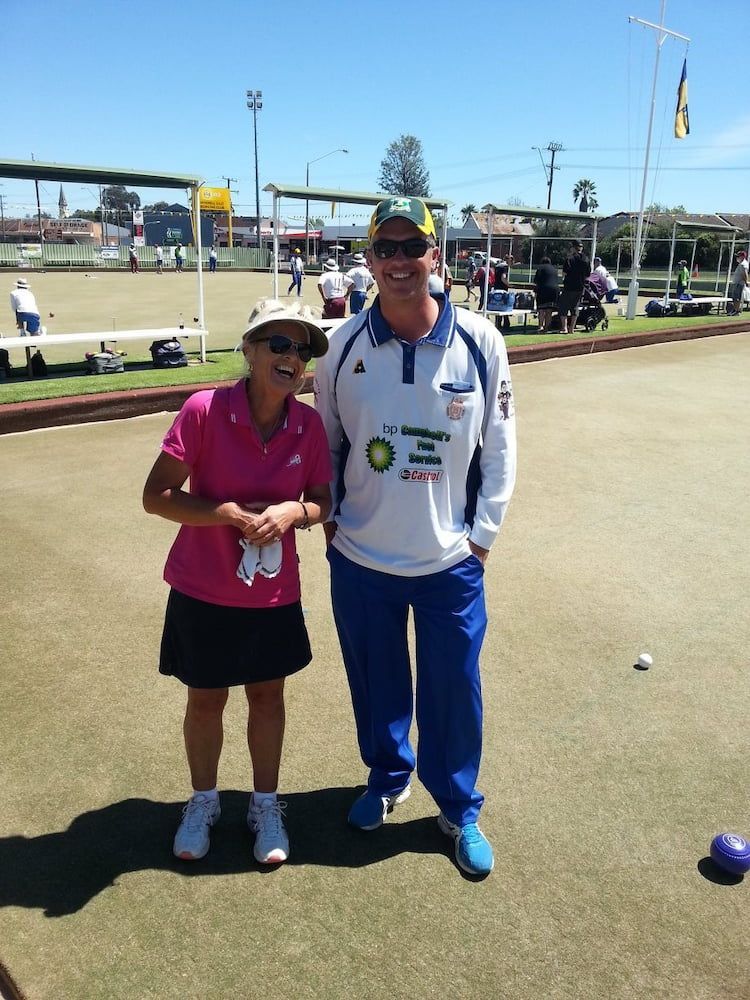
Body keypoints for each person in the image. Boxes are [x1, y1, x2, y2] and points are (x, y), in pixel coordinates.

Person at [314, 196, 517, 877]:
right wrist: (334, 523)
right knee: (375, 682)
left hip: (449, 560)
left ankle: (458, 808)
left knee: (454, 687)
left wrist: (481, 538)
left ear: (437, 254)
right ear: (369, 260)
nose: (400, 261)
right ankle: (387, 776)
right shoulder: (340, 346)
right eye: (386, 248)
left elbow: (500, 449)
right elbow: (328, 446)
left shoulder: (482, 342)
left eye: (413, 247)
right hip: (361, 557)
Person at [143, 299, 332, 865]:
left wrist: (294, 515)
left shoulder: (309, 424)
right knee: (206, 699)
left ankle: (265, 805)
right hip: (203, 588)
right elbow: (157, 497)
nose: (291, 357)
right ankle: (203, 802)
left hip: (273, 594)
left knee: (267, 695)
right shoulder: (203, 409)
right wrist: (224, 512)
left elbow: (323, 501)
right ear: (249, 350)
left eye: (300, 349)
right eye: (278, 344)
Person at [559, 240, 591, 333]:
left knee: (563, 306)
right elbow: (588, 274)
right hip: (580, 286)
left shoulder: (569, 258)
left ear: (573, 247)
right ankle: (571, 329)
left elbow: (564, 273)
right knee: (575, 307)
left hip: (569, 286)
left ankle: (564, 327)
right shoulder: (586, 259)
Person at [533, 256, 559, 333]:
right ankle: (547, 327)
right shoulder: (554, 269)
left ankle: (540, 326)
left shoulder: (540, 268)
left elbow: (536, 281)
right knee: (549, 310)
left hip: (543, 289)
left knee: (541, 309)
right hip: (554, 290)